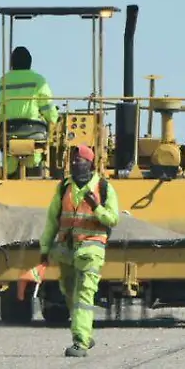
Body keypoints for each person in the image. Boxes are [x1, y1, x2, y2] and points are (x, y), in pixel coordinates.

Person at [38, 144, 120, 357]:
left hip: (91, 250)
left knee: (84, 294)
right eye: (73, 161)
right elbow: (52, 220)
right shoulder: (64, 187)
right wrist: (45, 247)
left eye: (80, 160)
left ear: (90, 163)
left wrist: (96, 207)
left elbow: (113, 219)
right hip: (66, 250)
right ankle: (84, 331)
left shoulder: (103, 187)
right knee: (69, 291)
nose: (75, 164)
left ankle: (80, 342)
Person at [0, 46, 59, 177]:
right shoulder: (38, 80)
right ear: (30, 63)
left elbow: (1, 108)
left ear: (12, 64)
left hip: (8, 130)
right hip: (33, 131)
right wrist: (54, 120)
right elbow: (47, 107)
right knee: (38, 150)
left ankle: (9, 172)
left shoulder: (3, 80)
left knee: (10, 153)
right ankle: (35, 167)